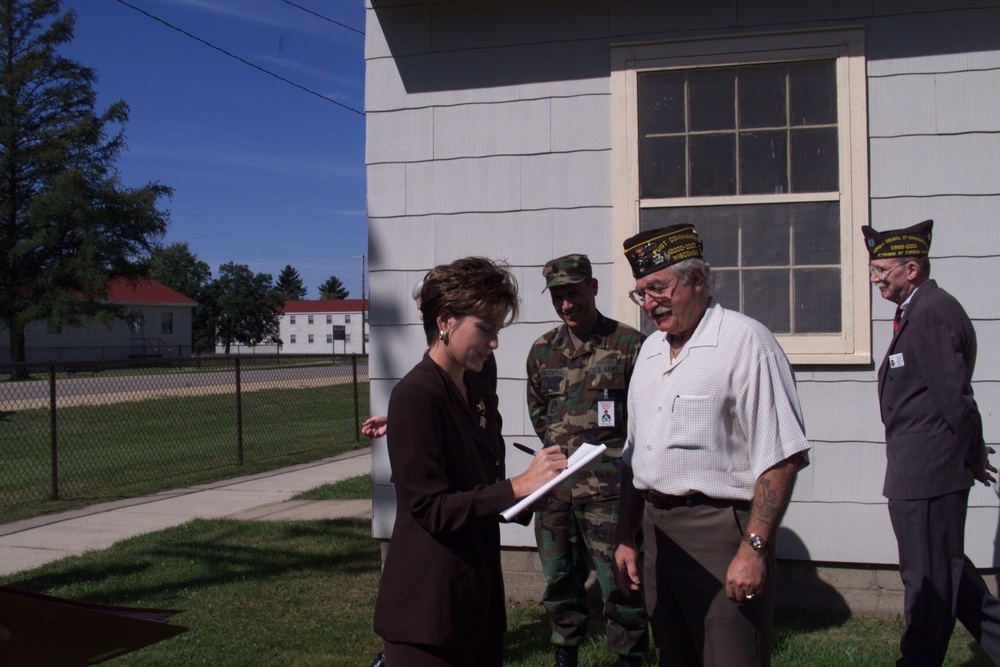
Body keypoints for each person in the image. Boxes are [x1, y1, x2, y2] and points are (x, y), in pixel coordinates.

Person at [612, 224, 810, 667]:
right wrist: (625, 536)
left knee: (731, 656)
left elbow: (781, 458)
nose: (650, 303)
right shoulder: (650, 352)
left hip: (720, 533)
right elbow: (633, 454)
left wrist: (753, 550)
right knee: (672, 655)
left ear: (696, 279)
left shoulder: (746, 343)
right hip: (656, 534)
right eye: (641, 294)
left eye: (658, 288)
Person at [373, 256, 568, 667]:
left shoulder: (478, 393)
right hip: (428, 610)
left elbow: (481, 488)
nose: (494, 343)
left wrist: (536, 490)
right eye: (485, 328)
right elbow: (431, 508)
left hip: (477, 597)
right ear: (445, 321)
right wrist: (517, 486)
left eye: (497, 330)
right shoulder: (416, 396)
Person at [862, 219, 1000, 666]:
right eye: (873, 270)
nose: (875, 278)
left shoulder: (932, 312)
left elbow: (954, 396)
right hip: (917, 470)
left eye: (882, 270)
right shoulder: (918, 311)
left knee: (927, 583)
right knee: (948, 575)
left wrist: (972, 454)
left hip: (929, 473)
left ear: (912, 269)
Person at [526, 254, 649, 667]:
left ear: (593, 287)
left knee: (621, 581)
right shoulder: (542, 351)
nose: (566, 304)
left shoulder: (629, 345)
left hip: (609, 494)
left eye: (573, 293)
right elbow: (539, 412)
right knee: (559, 582)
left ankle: (629, 657)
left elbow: (643, 419)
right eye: (558, 296)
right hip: (556, 491)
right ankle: (565, 655)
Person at [361, 277, 497, 438]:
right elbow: (439, 405)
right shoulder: (435, 355)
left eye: (423, 309)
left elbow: (464, 408)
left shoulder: (469, 357)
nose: (421, 316)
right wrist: (400, 419)